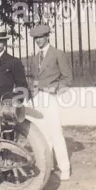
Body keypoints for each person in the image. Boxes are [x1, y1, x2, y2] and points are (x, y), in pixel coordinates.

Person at [28, 24, 73, 181]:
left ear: (48, 36)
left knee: (55, 132)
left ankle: (65, 168)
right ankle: (48, 165)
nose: (38, 40)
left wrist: (55, 88)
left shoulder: (58, 54)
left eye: (41, 37)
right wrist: (32, 89)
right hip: (37, 98)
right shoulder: (34, 58)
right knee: (41, 133)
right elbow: (33, 78)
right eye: (35, 38)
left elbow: (67, 77)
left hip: (50, 97)